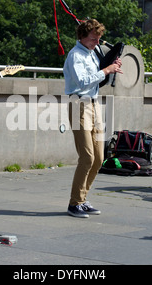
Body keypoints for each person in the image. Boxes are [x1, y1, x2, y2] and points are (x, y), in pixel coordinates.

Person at [63, 19, 122, 218]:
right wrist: (105, 70)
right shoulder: (75, 55)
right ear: (82, 37)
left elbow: (99, 78)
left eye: (98, 39)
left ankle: (82, 199)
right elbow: (82, 82)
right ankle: (74, 203)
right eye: (93, 39)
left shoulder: (92, 52)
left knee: (99, 158)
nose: (97, 43)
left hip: (94, 104)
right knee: (87, 156)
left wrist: (112, 66)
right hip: (78, 104)